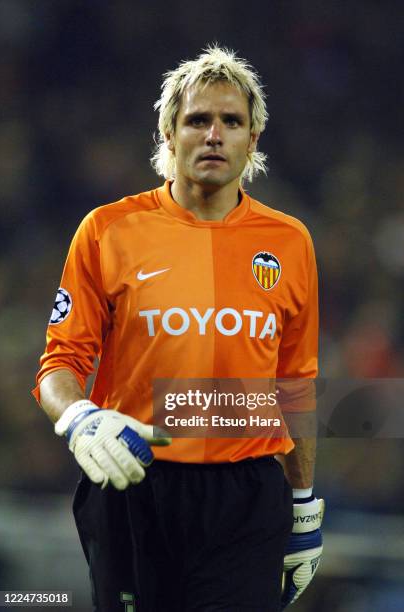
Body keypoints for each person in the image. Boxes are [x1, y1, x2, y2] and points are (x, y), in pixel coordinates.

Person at [33, 45, 324, 612]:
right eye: (198, 120)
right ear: (170, 134)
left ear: (252, 139)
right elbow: (58, 365)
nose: (214, 134)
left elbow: (295, 382)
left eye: (231, 121)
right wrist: (78, 418)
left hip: (246, 497)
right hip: (132, 485)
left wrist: (305, 505)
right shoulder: (107, 230)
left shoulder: (290, 242)